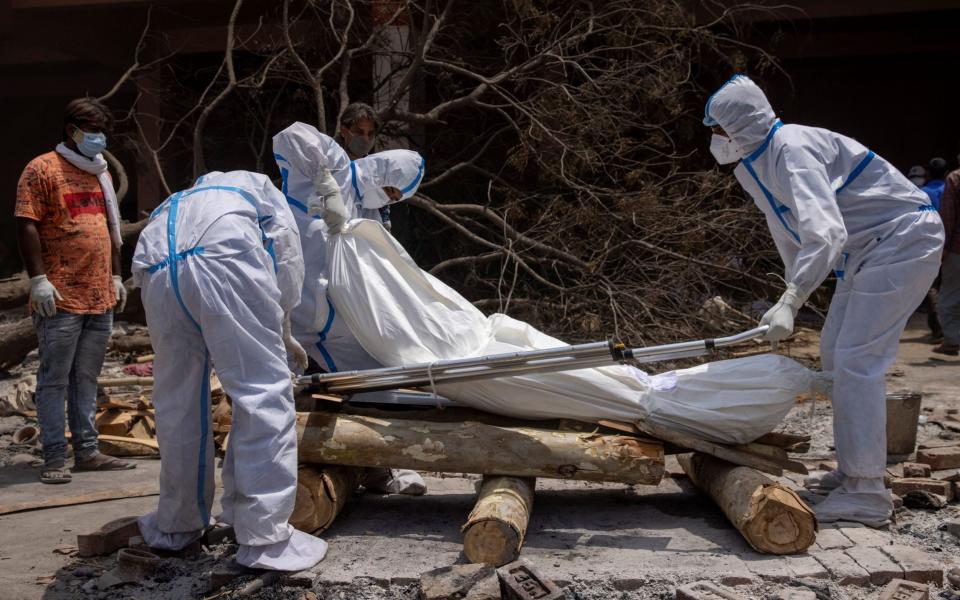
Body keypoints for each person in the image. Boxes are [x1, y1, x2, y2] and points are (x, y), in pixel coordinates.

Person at [703, 74, 944, 527]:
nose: (715, 140)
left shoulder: (791, 148)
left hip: (903, 239)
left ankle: (867, 492)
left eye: (718, 130)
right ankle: (853, 472)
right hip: (868, 251)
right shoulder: (755, 163)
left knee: (857, 360)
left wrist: (794, 298)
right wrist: (792, 295)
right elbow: (789, 231)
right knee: (835, 355)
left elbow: (826, 230)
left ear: (740, 126)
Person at [132, 171, 327, 571]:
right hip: (224, 258)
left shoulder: (178, 199)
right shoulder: (255, 186)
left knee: (177, 402)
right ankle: (264, 537)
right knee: (262, 392)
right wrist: (284, 320)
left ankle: (177, 525)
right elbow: (286, 252)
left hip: (155, 268)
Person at [273, 121, 427, 495]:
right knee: (289, 390)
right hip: (297, 300)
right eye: (389, 189)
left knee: (369, 382)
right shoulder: (340, 167)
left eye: (394, 197)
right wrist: (325, 180)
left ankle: (376, 465)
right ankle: (283, 477)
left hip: (330, 316)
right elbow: (292, 135)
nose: (387, 197)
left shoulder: (371, 211)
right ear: (384, 169)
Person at [15, 97, 133, 484]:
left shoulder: (101, 173)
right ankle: (53, 457)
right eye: (93, 131)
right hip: (60, 295)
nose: (100, 139)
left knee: (86, 378)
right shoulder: (42, 169)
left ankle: (87, 451)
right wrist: (38, 280)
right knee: (54, 378)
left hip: (99, 296)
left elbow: (108, 231)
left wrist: (116, 276)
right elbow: (26, 224)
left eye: (103, 132)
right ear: (72, 131)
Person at [334, 102, 394, 230]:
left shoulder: (376, 173)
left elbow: (384, 220)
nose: (366, 139)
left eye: (370, 133)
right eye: (359, 132)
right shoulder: (328, 162)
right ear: (344, 131)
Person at [935, 159, 960, 356]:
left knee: (949, 296)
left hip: (957, 250)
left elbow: (948, 216)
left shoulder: (955, 178)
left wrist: (942, 249)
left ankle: (952, 340)